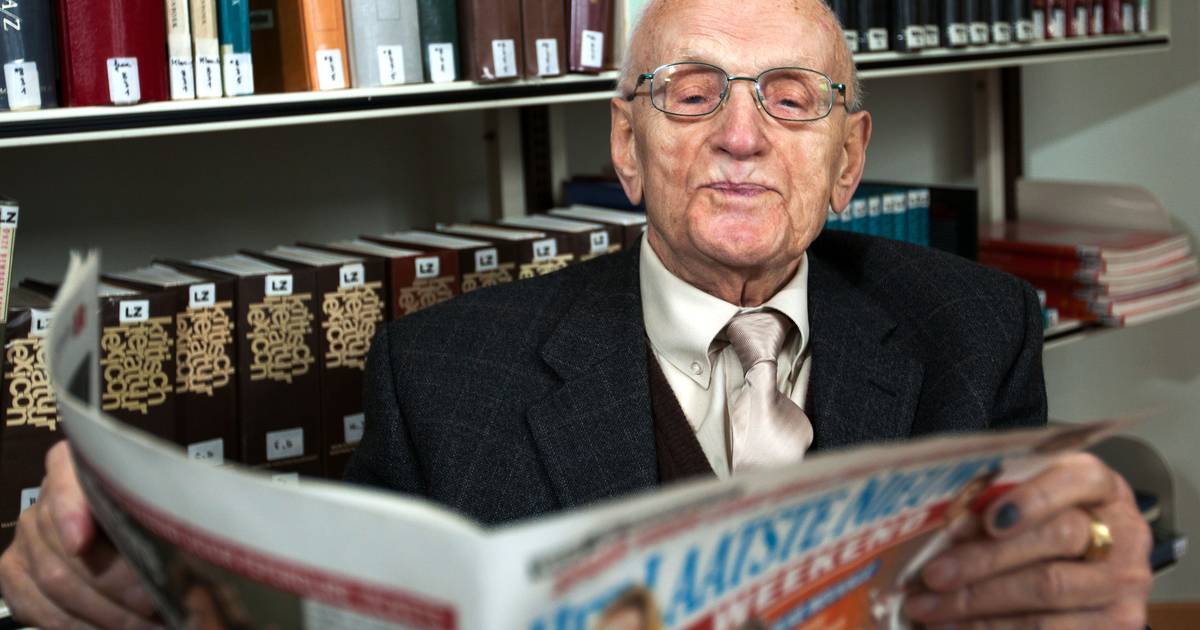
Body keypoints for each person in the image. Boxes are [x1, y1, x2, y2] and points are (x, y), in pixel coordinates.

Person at [0, 0, 1151, 627]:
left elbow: (1033, 579)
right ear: (626, 148)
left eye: (791, 100)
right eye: (691, 95)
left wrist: (1085, 561)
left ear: (847, 161)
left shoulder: (977, 327)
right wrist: (138, 589)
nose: (740, 137)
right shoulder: (440, 374)